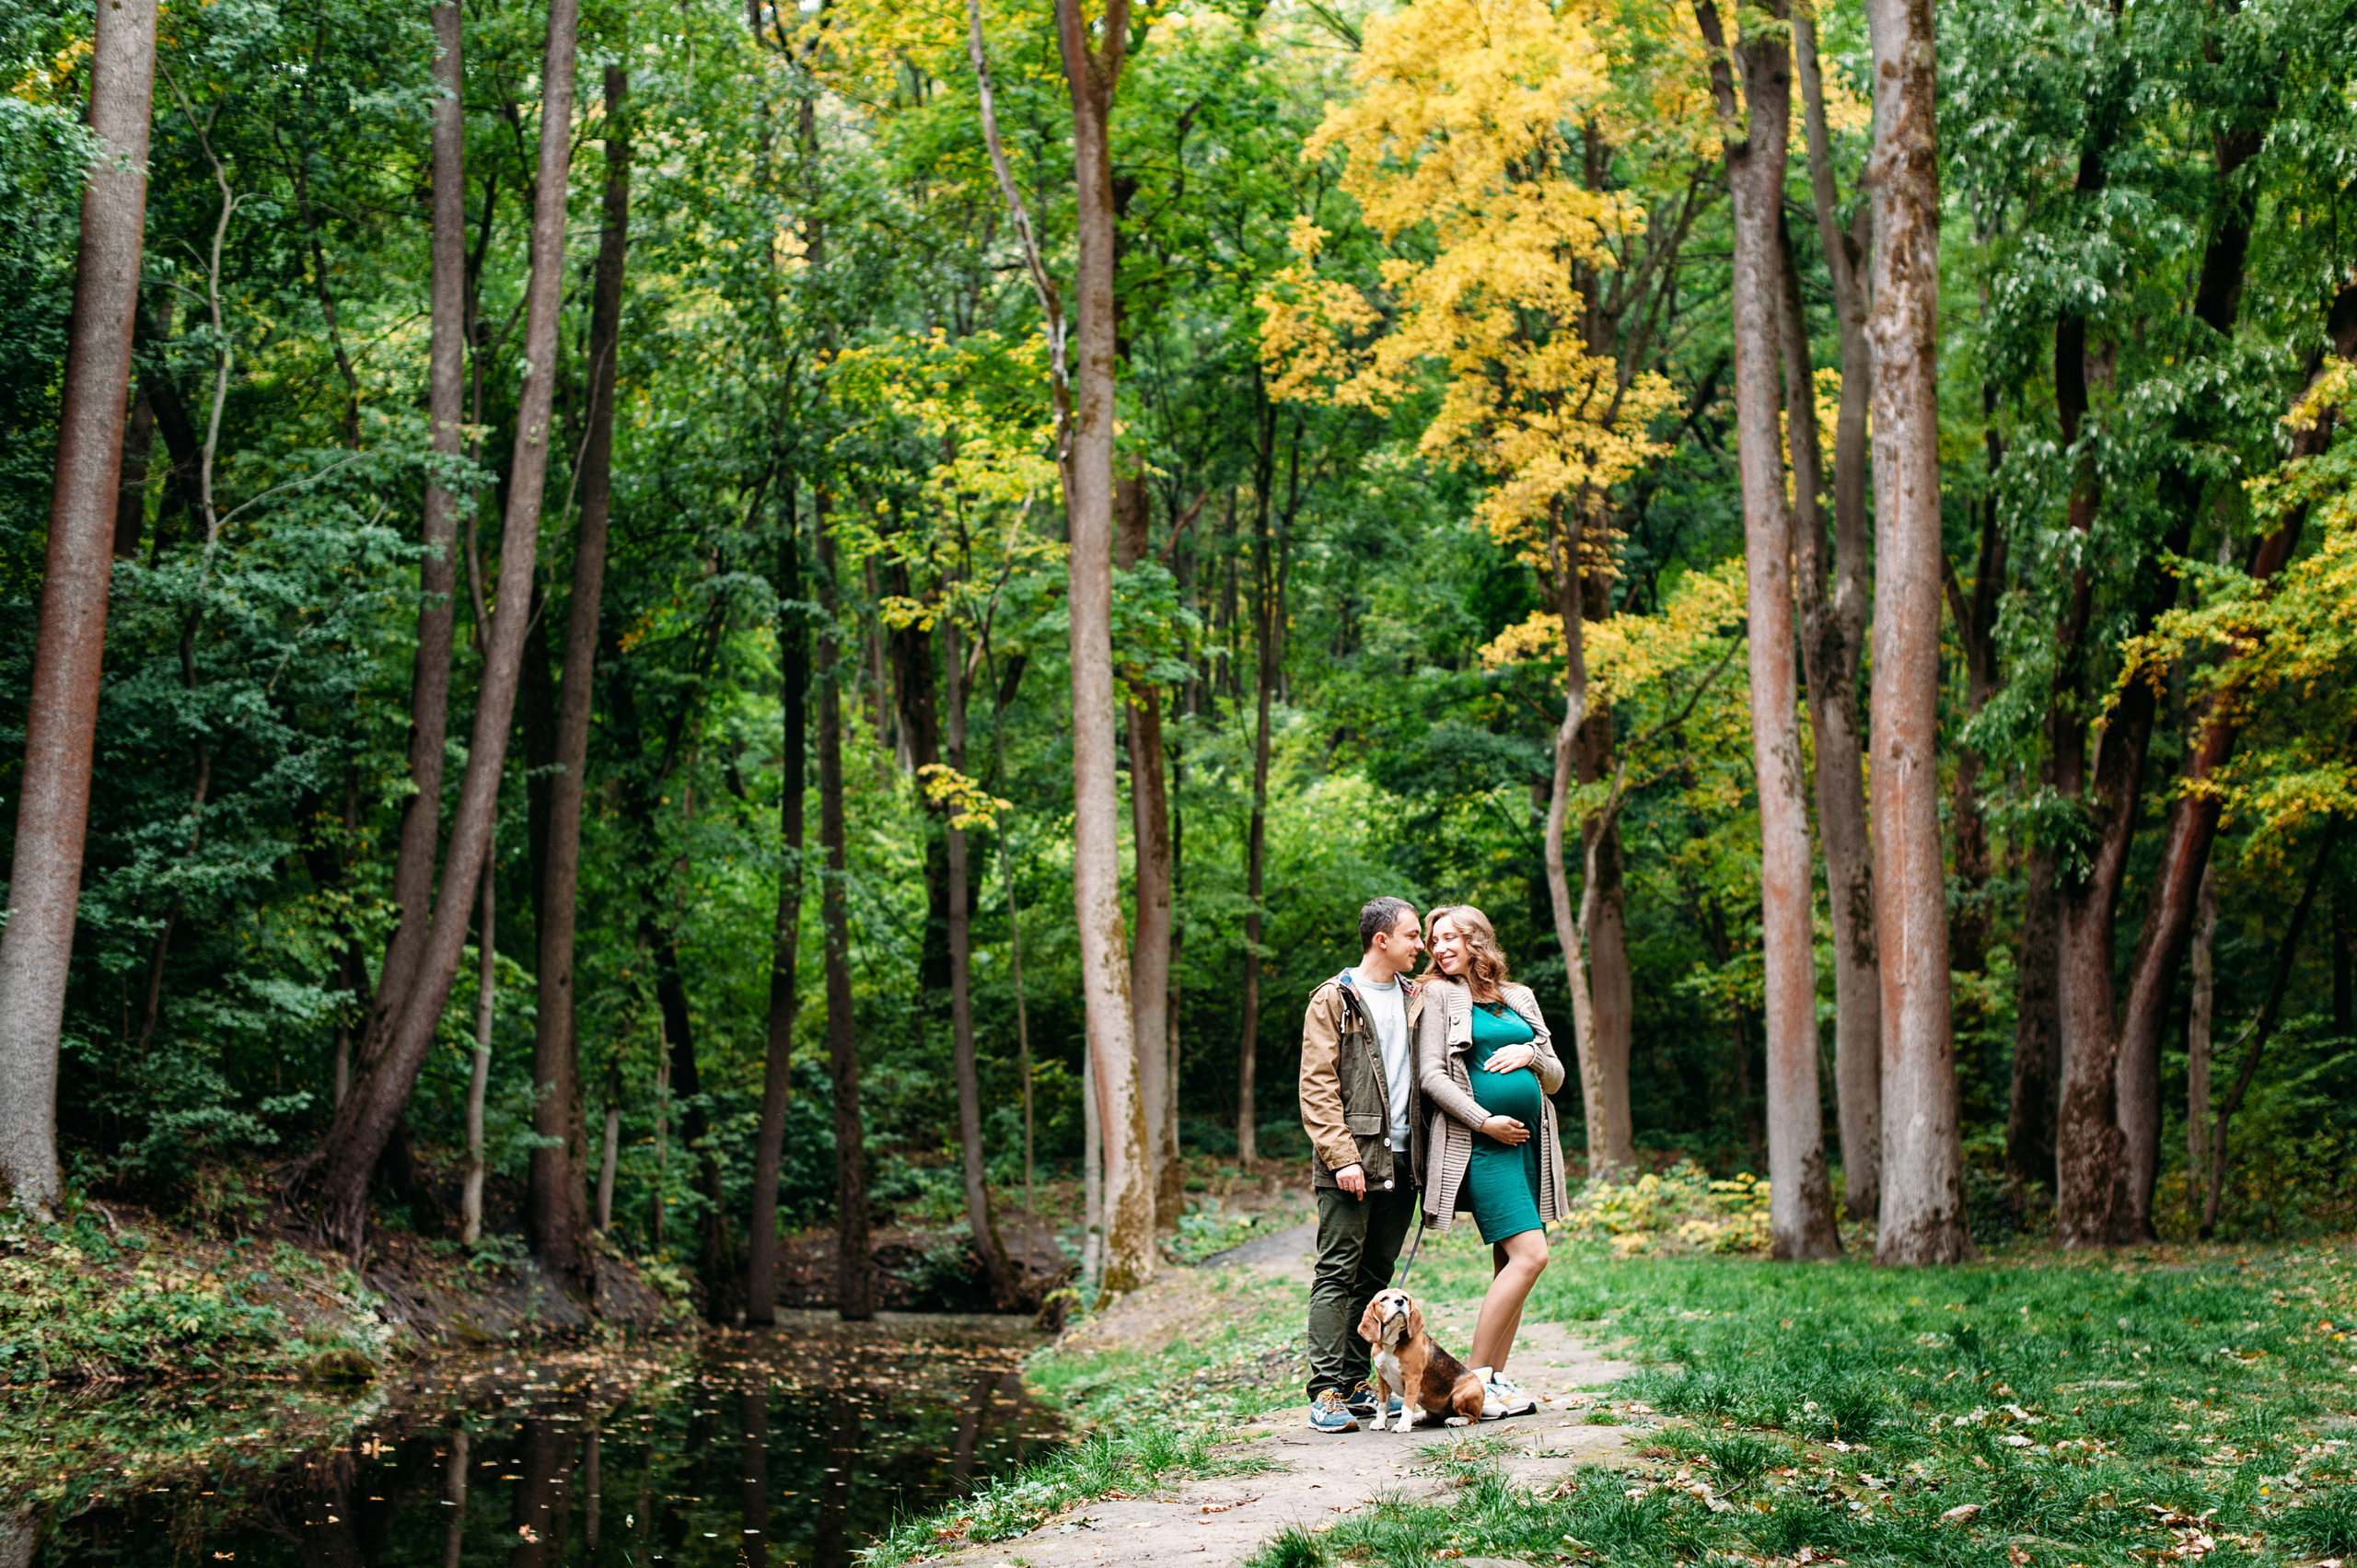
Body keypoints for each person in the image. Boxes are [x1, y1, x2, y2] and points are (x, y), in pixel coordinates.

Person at [1415, 903, 1569, 1419]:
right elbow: (1431, 1076)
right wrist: (1485, 1121)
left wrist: (1532, 1056)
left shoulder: (1518, 998)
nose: (1439, 948)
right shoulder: (1437, 994)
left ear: (1476, 940)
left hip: (1530, 1144)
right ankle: (1471, 1384)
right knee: (1532, 1256)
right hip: (1481, 1144)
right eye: (1434, 940)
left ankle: (1496, 1382)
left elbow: (1556, 1076)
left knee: (1511, 1265)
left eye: (1450, 938)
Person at [1297, 895, 1428, 1432]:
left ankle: (1357, 1382)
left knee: (1376, 1275)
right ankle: (1326, 1391)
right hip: (1350, 1160)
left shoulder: (1418, 998)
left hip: (1405, 1160)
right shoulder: (1335, 998)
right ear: (1382, 940)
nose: (1421, 946)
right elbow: (1317, 1084)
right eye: (1413, 936)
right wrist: (1342, 1157)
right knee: (1336, 1272)